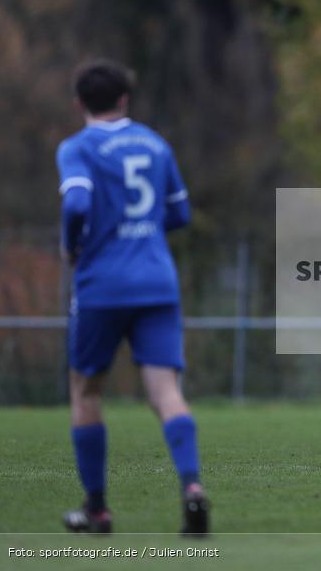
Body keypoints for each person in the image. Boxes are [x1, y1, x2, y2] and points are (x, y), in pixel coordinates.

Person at [57, 60, 208, 534]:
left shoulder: (77, 147)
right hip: (156, 281)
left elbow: (77, 202)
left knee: (85, 391)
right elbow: (179, 213)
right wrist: (139, 235)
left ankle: (97, 510)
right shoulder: (154, 143)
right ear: (125, 99)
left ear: (79, 103)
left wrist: (72, 245)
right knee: (165, 392)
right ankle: (192, 489)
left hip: (102, 284)